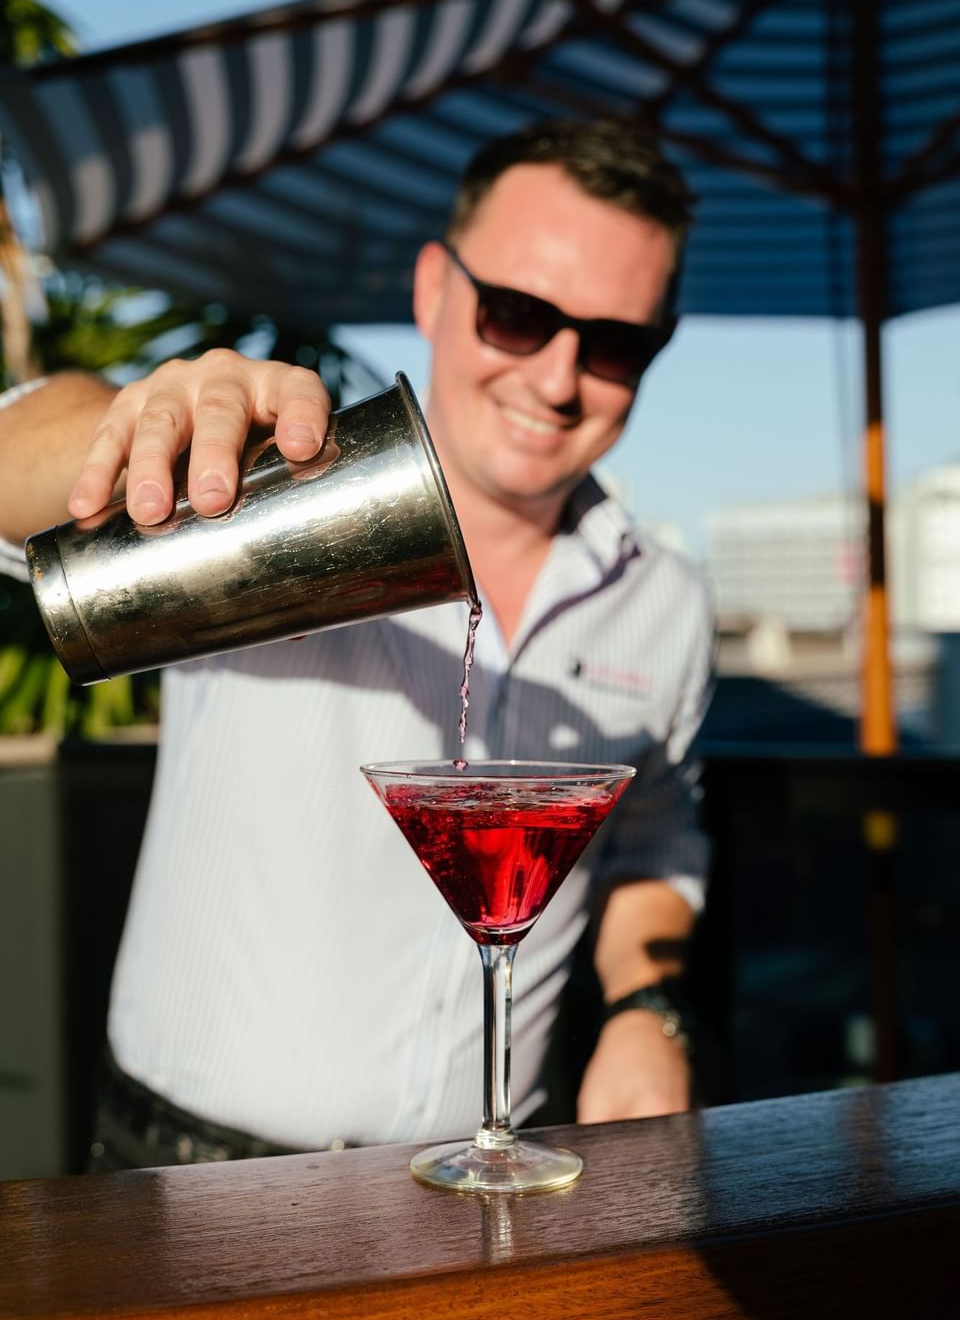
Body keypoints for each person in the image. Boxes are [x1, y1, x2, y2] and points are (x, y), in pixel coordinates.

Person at [0, 118, 713, 1170]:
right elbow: (16, 459)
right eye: (517, 314)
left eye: (615, 342)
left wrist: (646, 1005)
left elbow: (654, 830)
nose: (560, 378)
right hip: (194, 1181)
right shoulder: (266, 498)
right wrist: (141, 424)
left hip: (494, 1184)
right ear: (434, 289)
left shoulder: (668, 601)